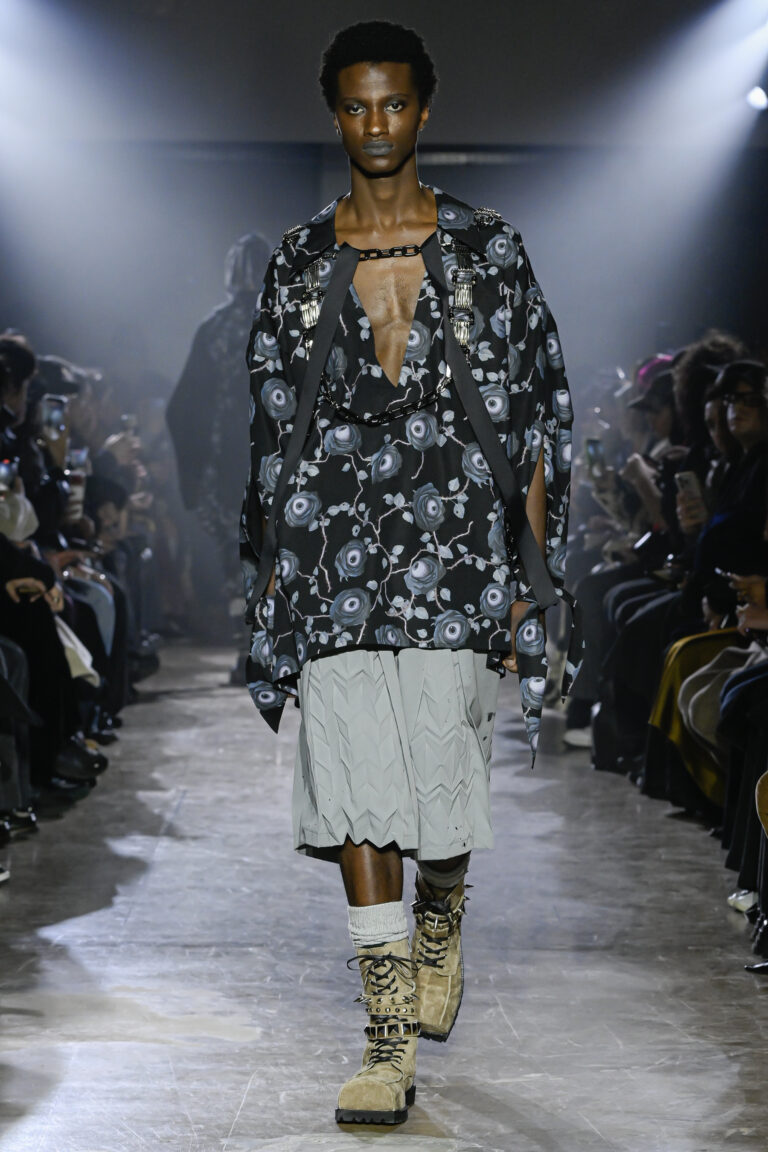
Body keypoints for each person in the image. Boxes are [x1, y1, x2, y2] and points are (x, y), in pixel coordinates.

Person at [239, 21, 578, 1126]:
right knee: (354, 789)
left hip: (456, 550)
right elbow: (272, 423)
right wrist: (274, 567)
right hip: (331, 547)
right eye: (355, 106)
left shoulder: (489, 248)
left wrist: (528, 567)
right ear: (334, 113)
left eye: (393, 104)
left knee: (442, 787)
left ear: (424, 109)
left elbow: (532, 417)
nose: (375, 124)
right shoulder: (299, 258)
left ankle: (442, 912)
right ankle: (385, 1036)